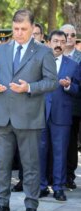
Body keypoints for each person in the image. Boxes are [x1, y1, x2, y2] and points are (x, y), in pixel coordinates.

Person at [0, 9, 57, 211]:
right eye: (16, 29)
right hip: (1, 118)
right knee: (1, 164)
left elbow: (52, 81)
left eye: (23, 29)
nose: (18, 33)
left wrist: (29, 87)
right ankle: (2, 204)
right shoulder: (1, 50)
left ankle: (31, 206)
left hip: (29, 118)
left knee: (31, 165)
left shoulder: (43, 52)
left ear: (33, 28)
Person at [39, 30, 80, 202]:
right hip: (40, 114)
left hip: (62, 115)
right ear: (48, 42)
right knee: (40, 152)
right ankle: (41, 186)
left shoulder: (73, 65)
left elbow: (79, 90)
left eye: (62, 42)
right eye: (55, 40)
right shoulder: (39, 62)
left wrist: (69, 87)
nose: (59, 44)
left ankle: (58, 187)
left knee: (60, 153)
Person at [59, 24, 81, 190]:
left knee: (71, 143)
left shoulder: (80, 58)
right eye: (66, 34)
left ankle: (69, 176)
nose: (70, 37)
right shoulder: (52, 55)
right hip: (55, 107)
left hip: (74, 108)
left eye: (73, 35)